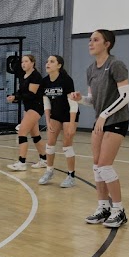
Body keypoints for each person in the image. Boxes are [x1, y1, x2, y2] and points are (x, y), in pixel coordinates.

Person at [70, 29, 129, 228]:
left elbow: (126, 96)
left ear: (107, 44)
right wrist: (81, 99)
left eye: (95, 40)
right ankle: (103, 207)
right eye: (90, 40)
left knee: (105, 165)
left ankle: (119, 211)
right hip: (101, 121)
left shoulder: (116, 65)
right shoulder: (91, 70)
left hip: (117, 120)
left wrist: (105, 115)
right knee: (97, 166)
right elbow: (93, 100)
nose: (90, 43)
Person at [38, 55, 79, 187]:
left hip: (68, 114)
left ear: (59, 65)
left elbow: (73, 103)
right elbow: (46, 103)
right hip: (55, 115)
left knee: (66, 145)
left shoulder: (66, 80)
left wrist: (72, 124)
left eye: (52, 61)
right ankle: (49, 171)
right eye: (47, 61)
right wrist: (48, 121)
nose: (48, 63)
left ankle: (71, 176)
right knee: (50, 144)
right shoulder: (44, 82)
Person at [6, 55, 47, 171]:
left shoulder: (36, 76)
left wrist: (16, 97)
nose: (23, 64)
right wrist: (14, 96)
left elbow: (31, 94)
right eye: (22, 62)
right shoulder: (23, 76)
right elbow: (21, 91)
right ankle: (44, 159)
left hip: (36, 106)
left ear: (32, 63)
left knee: (22, 132)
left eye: (26, 61)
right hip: (28, 107)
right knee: (35, 135)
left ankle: (21, 162)